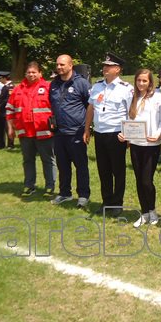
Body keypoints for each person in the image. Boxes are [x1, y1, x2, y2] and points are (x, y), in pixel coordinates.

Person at [84, 53, 133, 217]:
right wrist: (87, 129)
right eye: (104, 65)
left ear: (117, 69)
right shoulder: (97, 86)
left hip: (116, 134)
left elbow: (130, 113)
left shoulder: (126, 89)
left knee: (118, 170)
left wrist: (128, 135)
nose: (105, 68)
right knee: (103, 169)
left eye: (109, 66)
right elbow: (91, 108)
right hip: (99, 133)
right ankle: (107, 202)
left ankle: (117, 203)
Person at [118, 69, 161, 228]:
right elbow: (129, 120)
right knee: (139, 179)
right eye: (139, 80)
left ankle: (152, 210)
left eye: (144, 81)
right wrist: (123, 134)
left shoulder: (157, 97)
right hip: (136, 144)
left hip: (151, 144)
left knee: (147, 180)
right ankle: (144, 213)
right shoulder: (133, 97)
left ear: (150, 82)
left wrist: (159, 134)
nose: (141, 83)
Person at [6, 62, 57, 198]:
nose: (31, 74)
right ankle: (29, 185)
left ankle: (50, 187)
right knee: (28, 160)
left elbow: (57, 108)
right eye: (29, 72)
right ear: (25, 73)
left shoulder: (48, 87)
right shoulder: (18, 89)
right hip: (25, 132)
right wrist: (10, 128)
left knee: (48, 160)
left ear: (40, 73)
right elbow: (10, 110)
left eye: (34, 72)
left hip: (44, 132)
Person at [50, 54, 91, 208]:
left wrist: (87, 129)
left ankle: (83, 195)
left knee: (81, 165)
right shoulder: (54, 84)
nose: (59, 67)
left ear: (70, 65)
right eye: (57, 64)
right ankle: (65, 193)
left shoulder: (81, 83)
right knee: (63, 165)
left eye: (62, 64)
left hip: (77, 132)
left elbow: (90, 107)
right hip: (59, 133)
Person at [0, 71, 15, 149]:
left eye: (0, 78)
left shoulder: (10, 86)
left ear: (4, 78)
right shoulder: (5, 86)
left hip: (7, 110)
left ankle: (11, 144)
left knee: (8, 127)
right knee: (3, 127)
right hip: (3, 110)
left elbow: (7, 99)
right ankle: (3, 144)